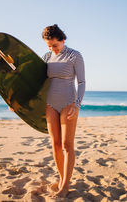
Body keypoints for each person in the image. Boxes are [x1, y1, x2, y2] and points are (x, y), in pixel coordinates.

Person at [41, 24, 86, 197]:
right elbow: (36, 82)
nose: (53, 49)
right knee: (56, 144)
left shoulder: (75, 55)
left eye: (55, 45)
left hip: (69, 102)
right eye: (49, 46)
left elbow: (81, 82)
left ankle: (65, 186)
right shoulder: (46, 57)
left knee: (67, 145)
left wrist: (77, 105)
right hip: (50, 104)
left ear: (62, 40)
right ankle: (62, 179)